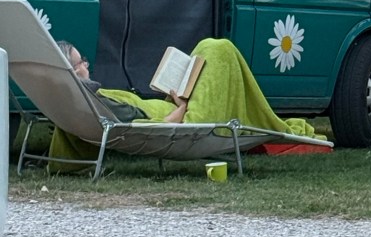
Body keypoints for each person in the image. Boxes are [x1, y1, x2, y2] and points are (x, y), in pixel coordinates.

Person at [54, 37, 324, 152]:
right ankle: (266, 120)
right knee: (220, 49)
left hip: (168, 107)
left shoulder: (75, 100)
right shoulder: (99, 103)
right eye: (81, 62)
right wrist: (182, 106)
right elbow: (154, 127)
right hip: (186, 118)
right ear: (72, 70)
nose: (87, 64)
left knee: (209, 49)